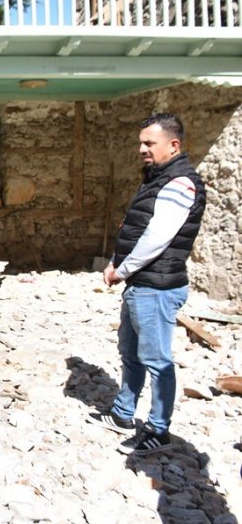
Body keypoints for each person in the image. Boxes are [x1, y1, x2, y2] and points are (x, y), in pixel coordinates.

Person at [88, 113, 206, 456]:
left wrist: (122, 270)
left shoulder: (180, 183)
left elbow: (157, 238)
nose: (142, 149)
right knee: (131, 353)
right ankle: (124, 414)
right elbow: (135, 228)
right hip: (142, 283)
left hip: (157, 286)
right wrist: (115, 262)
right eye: (141, 142)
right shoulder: (157, 178)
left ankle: (158, 430)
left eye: (149, 143)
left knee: (157, 360)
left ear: (174, 145)